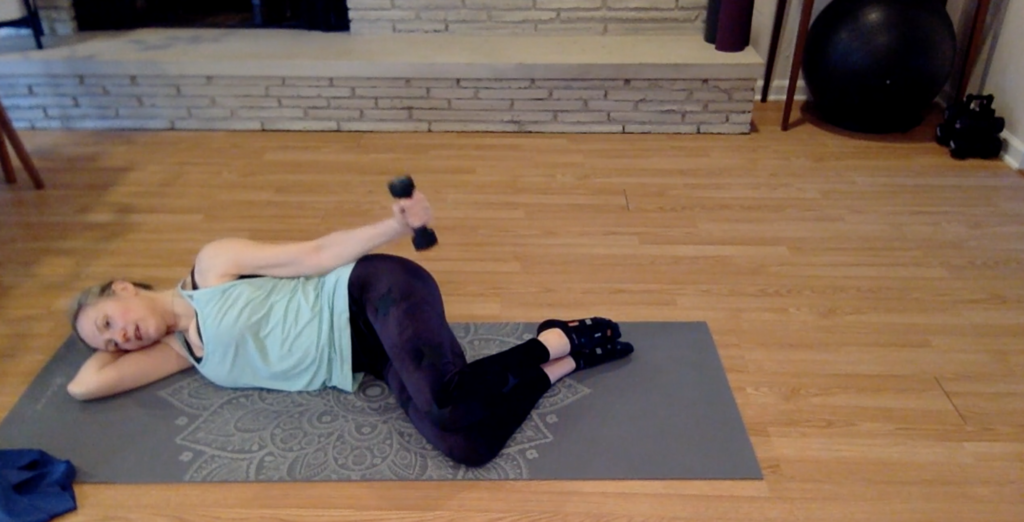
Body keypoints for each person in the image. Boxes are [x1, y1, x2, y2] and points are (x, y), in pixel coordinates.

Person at [66, 187, 634, 467]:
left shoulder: (212, 267)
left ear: (122, 285)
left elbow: (315, 254)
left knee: (445, 396)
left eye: (110, 320)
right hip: (368, 356)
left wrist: (391, 226)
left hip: (373, 294)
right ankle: (564, 361)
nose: (121, 338)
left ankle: (553, 337)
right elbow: (83, 385)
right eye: (110, 342)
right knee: (467, 444)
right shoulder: (181, 352)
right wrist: (107, 339)